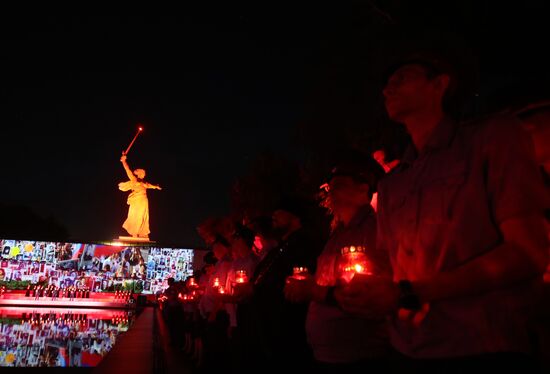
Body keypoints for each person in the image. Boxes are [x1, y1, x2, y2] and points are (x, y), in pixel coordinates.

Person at [335, 50, 549, 372]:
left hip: (481, 347)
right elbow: (386, 265)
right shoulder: (393, 184)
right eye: (385, 84)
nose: (386, 89)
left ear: (440, 84)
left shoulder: (492, 139)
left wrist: (411, 293)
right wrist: (361, 292)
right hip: (406, 348)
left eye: (401, 78)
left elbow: (528, 250)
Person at [284, 152, 390, 372]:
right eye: (328, 186)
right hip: (327, 355)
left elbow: (372, 295)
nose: (331, 192)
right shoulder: (336, 234)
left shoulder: (375, 230)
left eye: (339, 185)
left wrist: (314, 291)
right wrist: (305, 285)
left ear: (363, 188)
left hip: (358, 357)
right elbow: (328, 282)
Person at [239, 196, 325, 372]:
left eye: (279, 211)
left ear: (294, 216)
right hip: (268, 332)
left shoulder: (305, 245)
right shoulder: (279, 248)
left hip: (288, 334)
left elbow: (298, 283)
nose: (274, 215)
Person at [118, 153, 162, 239]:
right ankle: (134, 232)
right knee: (135, 215)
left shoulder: (144, 183)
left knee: (143, 216)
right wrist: (124, 161)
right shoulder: (134, 180)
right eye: (143, 173)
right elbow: (128, 170)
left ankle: (142, 232)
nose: (144, 174)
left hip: (144, 200)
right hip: (136, 200)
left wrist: (156, 187)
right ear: (140, 173)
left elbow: (151, 186)